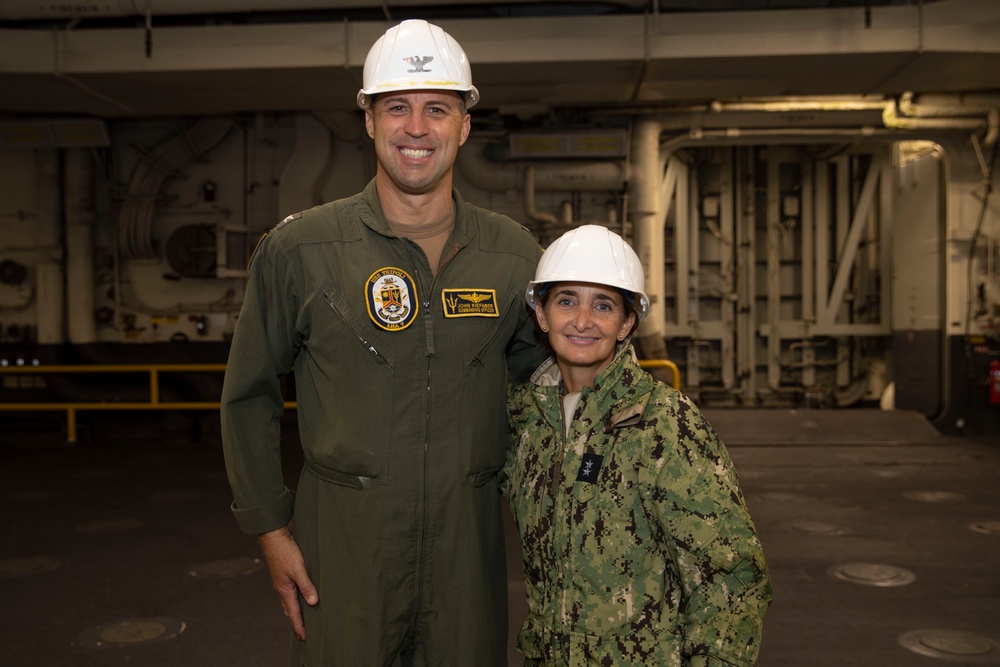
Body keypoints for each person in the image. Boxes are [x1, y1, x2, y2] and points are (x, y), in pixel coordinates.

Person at [220, 19, 545, 667]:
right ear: (368, 120)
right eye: (397, 107)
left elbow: (549, 401)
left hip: (467, 547)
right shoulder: (301, 250)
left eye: (437, 108)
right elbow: (249, 394)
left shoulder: (513, 256)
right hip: (344, 543)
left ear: (465, 123)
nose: (417, 128)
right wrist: (269, 528)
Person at [501, 225, 772, 666]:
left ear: (626, 323)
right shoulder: (528, 421)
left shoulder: (664, 424)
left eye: (603, 305)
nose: (583, 320)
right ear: (542, 314)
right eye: (567, 300)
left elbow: (730, 577)